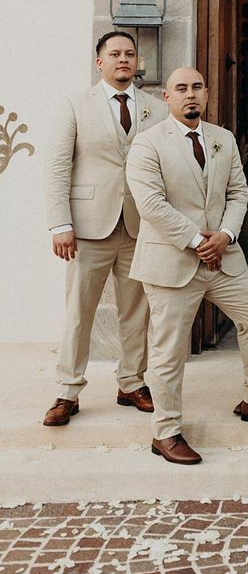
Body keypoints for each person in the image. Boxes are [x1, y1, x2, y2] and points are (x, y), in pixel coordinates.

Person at [126, 67, 248, 466]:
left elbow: (239, 192)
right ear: (166, 98)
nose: (191, 95)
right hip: (172, 260)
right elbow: (151, 204)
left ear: (207, 94)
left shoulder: (222, 139)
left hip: (223, 256)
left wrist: (225, 234)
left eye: (197, 87)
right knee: (169, 350)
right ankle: (166, 431)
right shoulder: (147, 143)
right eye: (181, 88)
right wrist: (195, 241)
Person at [42, 31, 167, 426]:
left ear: (137, 61)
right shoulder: (76, 105)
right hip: (87, 227)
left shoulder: (156, 109)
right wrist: (61, 223)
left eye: (130, 54)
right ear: (100, 62)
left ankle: (131, 382)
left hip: (139, 225)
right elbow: (58, 166)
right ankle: (67, 390)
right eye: (114, 54)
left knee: (137, 310)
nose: (123, 60)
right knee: (80, 311)